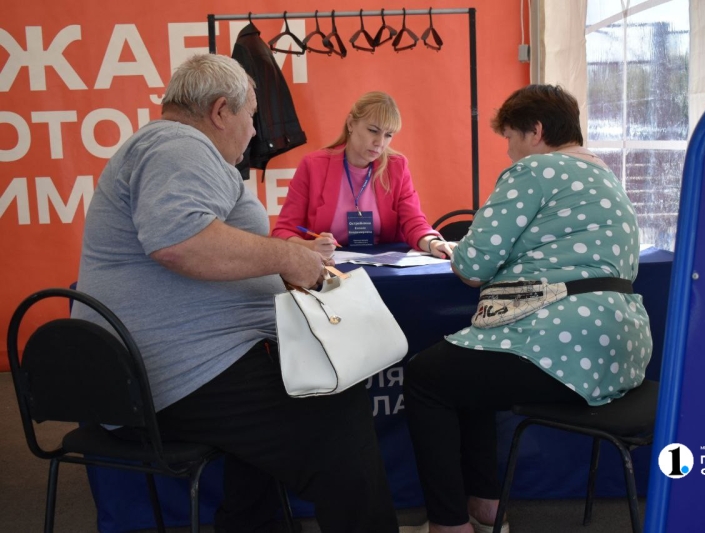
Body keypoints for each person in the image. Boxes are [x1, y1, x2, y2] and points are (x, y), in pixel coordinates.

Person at [71, 53, 398, 533]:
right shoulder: (178, 145)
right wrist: (286, 258)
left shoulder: (168, 147)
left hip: (179, 365)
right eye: (251, 117)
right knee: (335, 412)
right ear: (221, 111)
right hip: (175, 372)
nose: (253, 132)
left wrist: (281, 259)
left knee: (287, 399)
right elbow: (179, 242)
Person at [400, 85, 653, 533]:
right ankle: (486, 506)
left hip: (561, 344)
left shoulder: (536, 169)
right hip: (621, 351)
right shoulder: (604, 175)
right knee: (466, 365)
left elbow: (474, 264)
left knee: (426, 378)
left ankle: (447, 524)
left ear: (535, 132)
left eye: (512, 139)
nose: (512, 153)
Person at [271, 91, 453, 259]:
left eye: (388, 134)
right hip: (330, 269)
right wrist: (310, 247)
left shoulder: (397, 166)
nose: (380, 143)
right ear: (351, 124)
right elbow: (283, 232)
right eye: (373, 131)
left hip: (383, 268)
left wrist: (432, 242)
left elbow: (414, 222)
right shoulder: (313, 165)